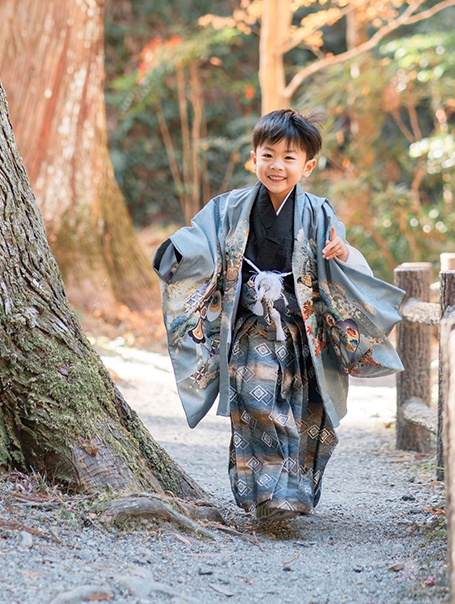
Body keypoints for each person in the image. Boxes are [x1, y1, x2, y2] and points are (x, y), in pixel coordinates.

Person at [153, 109, 404, 521]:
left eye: (289, 158)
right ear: (254, 158)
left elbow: (343, 261)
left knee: (305, 410)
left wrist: (342, 254)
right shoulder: (230, 207)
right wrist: (178, 251)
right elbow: (202, 240)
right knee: (255, 400)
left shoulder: (320, 213)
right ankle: (270, 498)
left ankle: (294, 493)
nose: (277, 166)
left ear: (307, 166)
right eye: (268, 155)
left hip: (303, 330)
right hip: (252, 327)